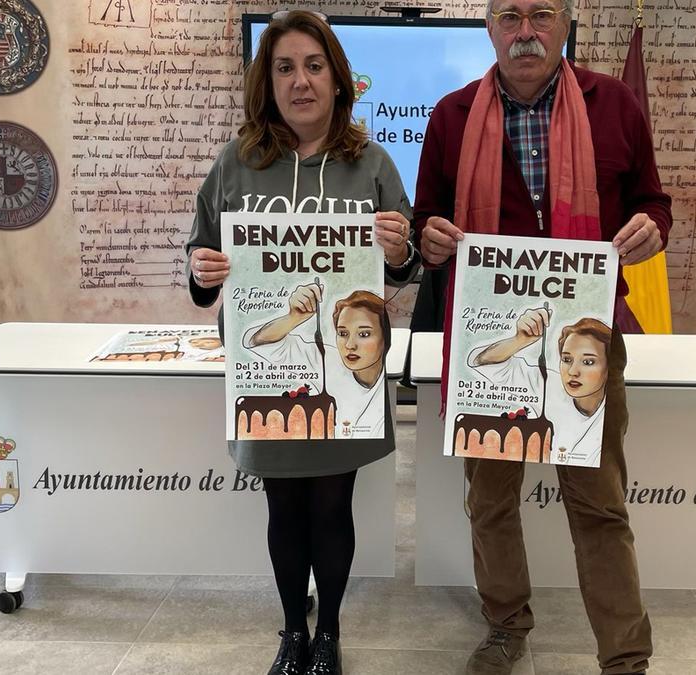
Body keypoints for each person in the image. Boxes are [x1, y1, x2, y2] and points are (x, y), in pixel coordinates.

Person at [413, 0, 672, 672]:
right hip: (492, 347)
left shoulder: (613, 104)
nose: (526, 32)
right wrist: (430, 238)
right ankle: (505, 626)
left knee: (599, 504)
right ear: (490, 27)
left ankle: (625, 653)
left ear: (566, 24)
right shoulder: (451, 116)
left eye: (542, 15)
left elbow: (653, 201)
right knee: (490, 501)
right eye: (511, 16)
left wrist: (651, 229)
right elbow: (426, 225)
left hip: (588, 339)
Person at [183, 11, 418, 675]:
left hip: (346, 371)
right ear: (268, 82)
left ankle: (331, 635)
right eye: (284, 67)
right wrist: (201, 271)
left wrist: (398, 252)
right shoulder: (237, 161)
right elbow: (201, 248)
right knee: (283, 502)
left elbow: (403, 270)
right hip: (265, 369)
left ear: (338, 80)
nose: (301, 81)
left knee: (330, 504)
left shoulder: (372, 163)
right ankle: (292, 630)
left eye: (314, 66)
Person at [245, 288, 390, 439]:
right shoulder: (326, 361)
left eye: (364, 334)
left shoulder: (389, 382)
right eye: (343, 333)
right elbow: (260, 342)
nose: (350, 345)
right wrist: (293, 318)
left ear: (385, 337)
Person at [469, 311, 611, 465]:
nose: (572, 372)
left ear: (609, 366)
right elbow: (482, 362)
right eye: (567, 359)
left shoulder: (611, 413)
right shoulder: (548, 386)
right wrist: (519, 340)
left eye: (588, 362)